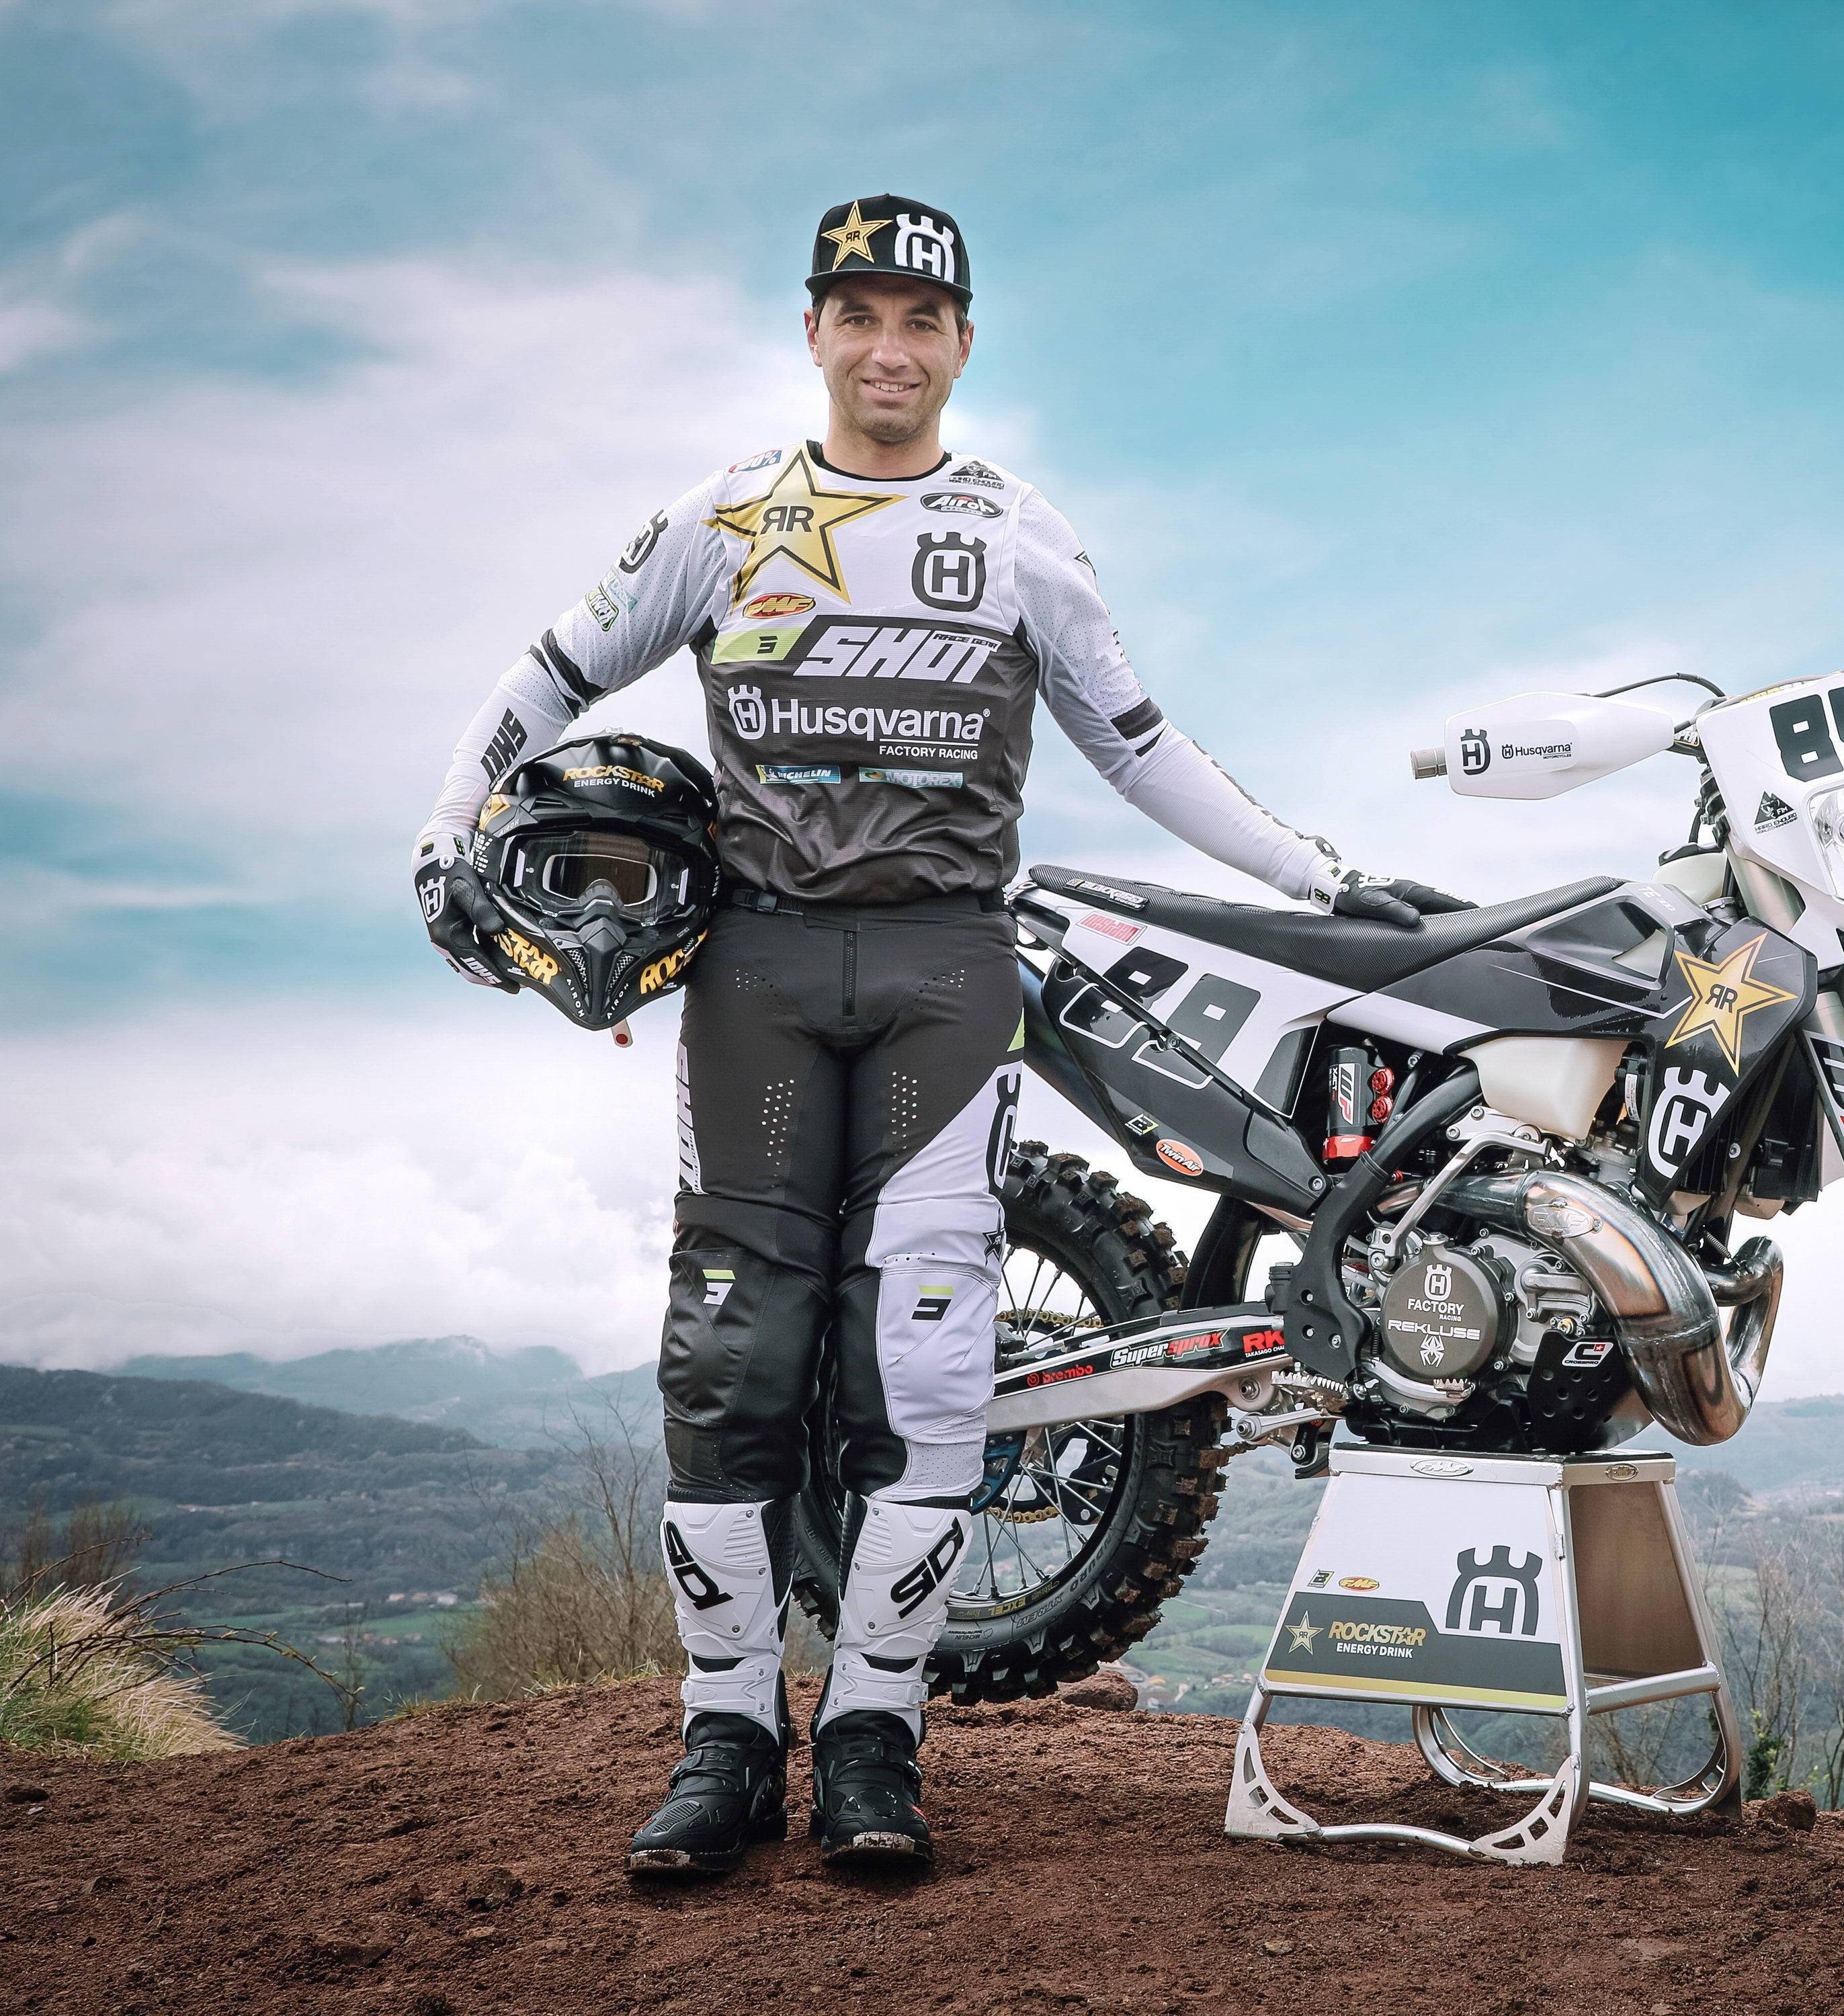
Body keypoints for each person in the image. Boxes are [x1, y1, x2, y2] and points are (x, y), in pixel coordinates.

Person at [412, 194, 1456, 1872]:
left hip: (949, 977)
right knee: (732, 1362)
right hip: (754, 975)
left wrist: (1319, 878)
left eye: (921, 320)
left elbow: (1140, 744)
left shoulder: (1023, 534)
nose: (888, 348)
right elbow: (550, 674)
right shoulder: (723, 517)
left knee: (928, 1366)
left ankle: (873, 1741)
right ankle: (727, 1740)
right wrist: (445, 828)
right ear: (813, 330)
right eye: (860, 314)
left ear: (964, 343)